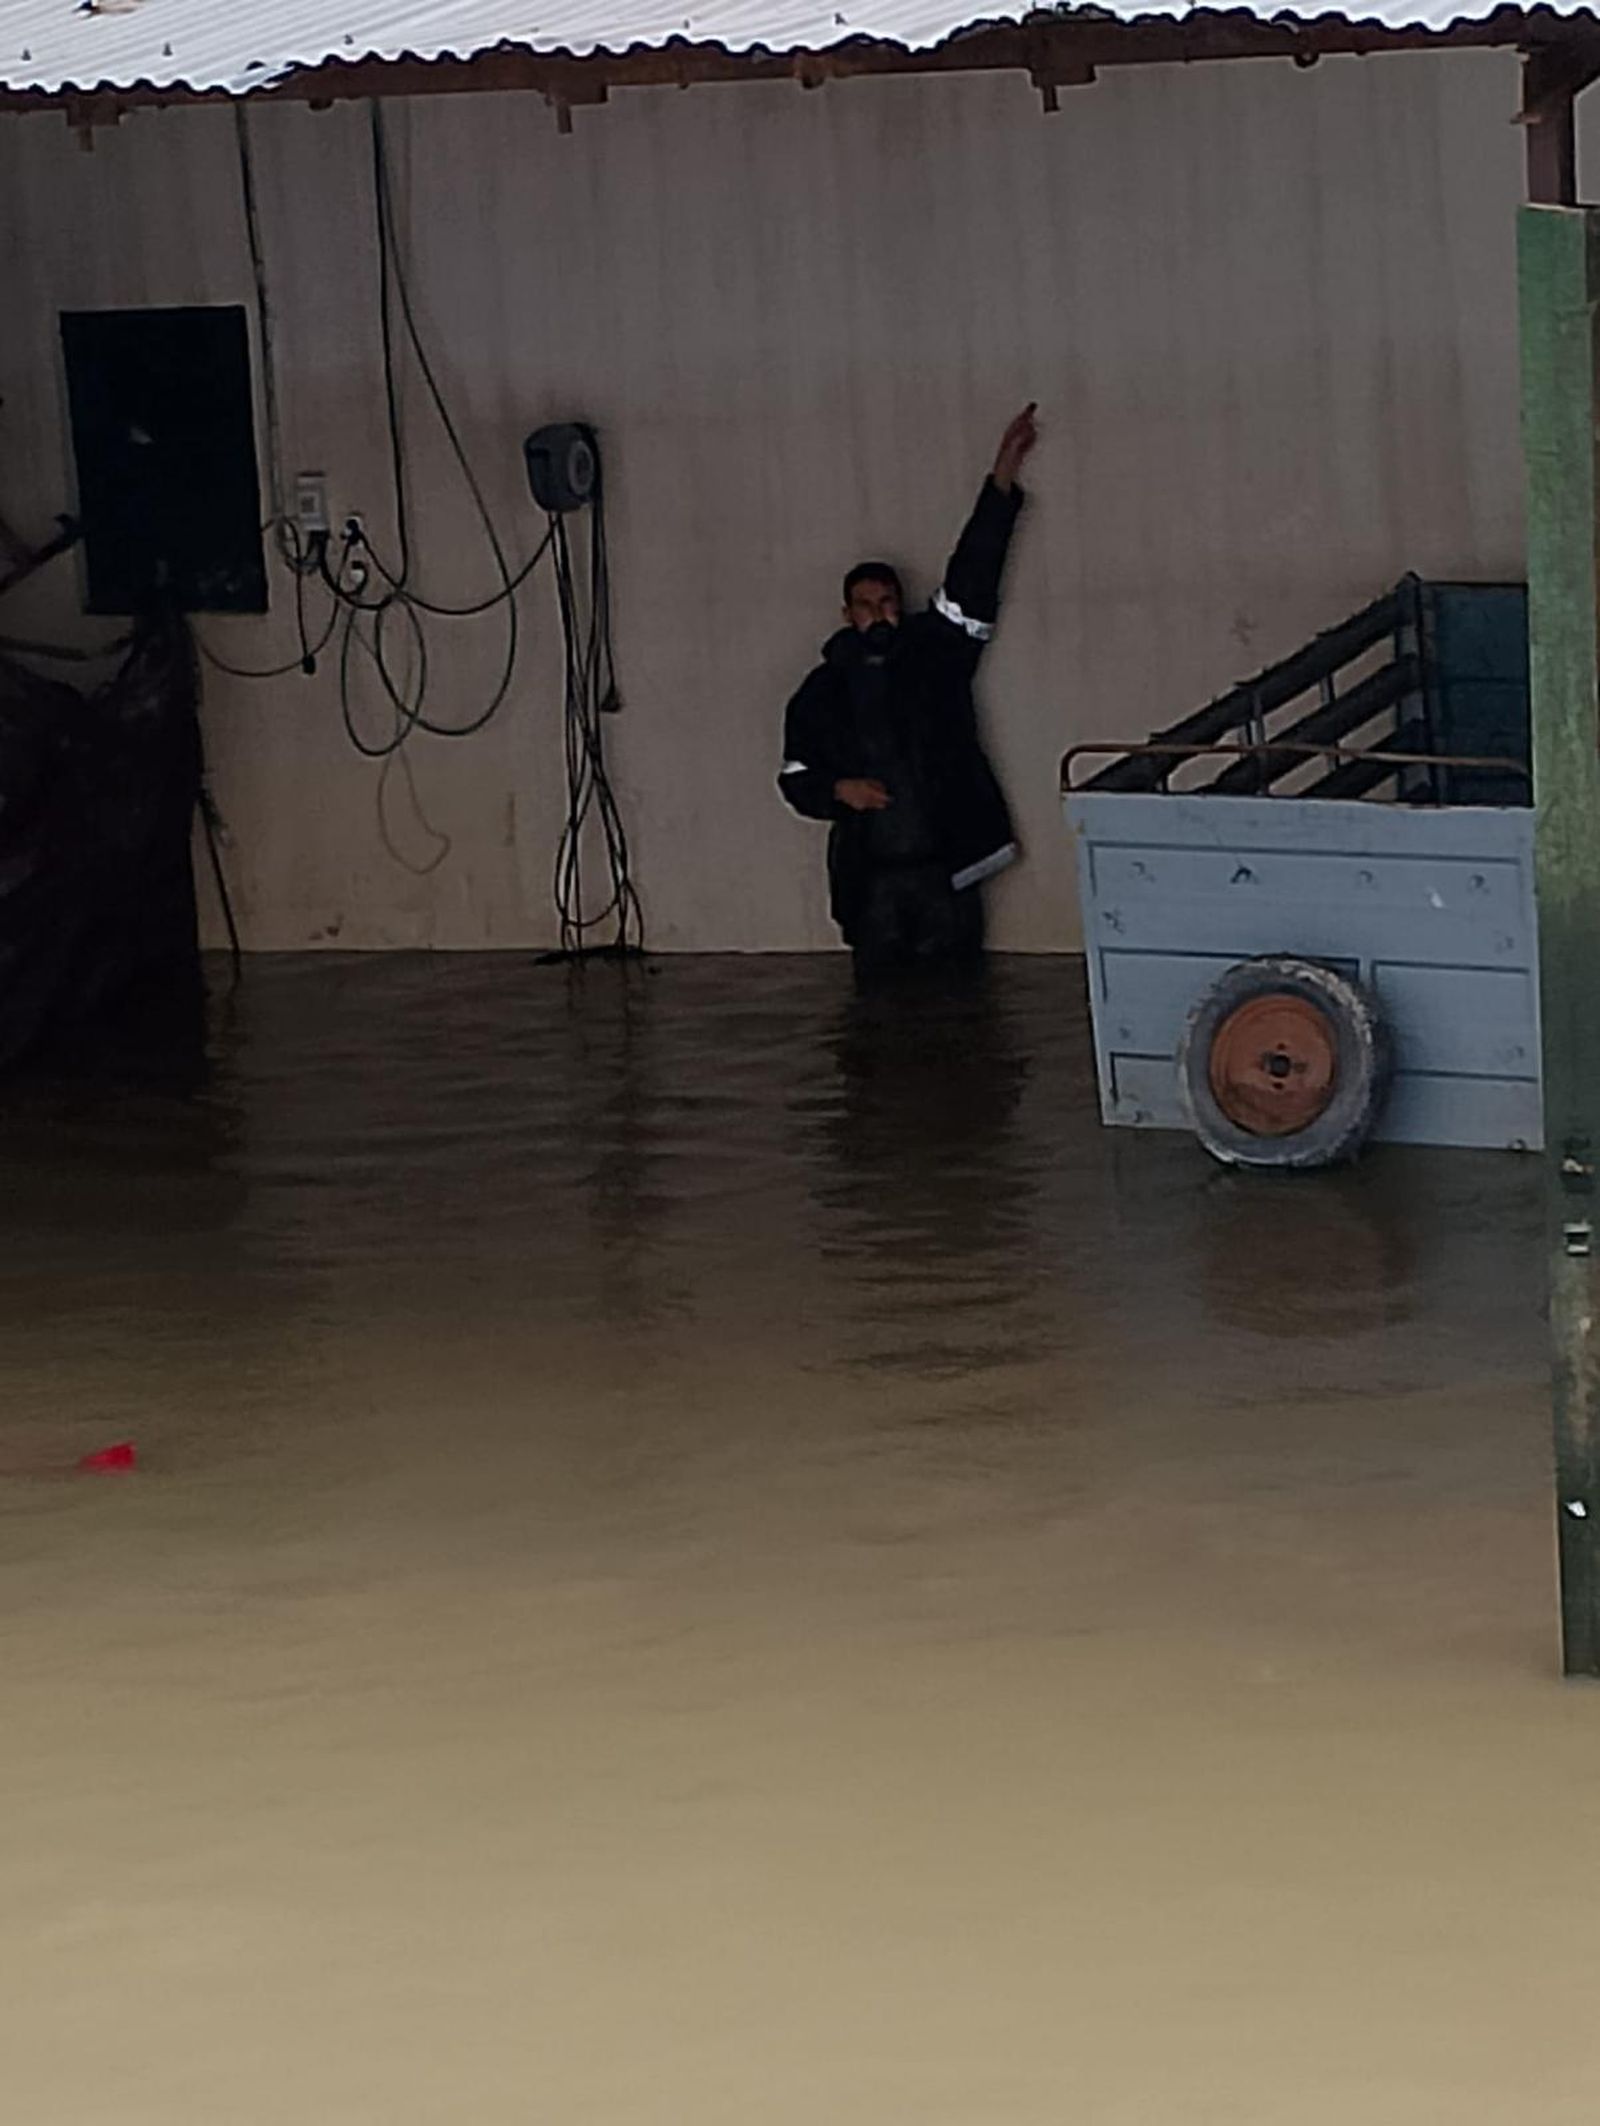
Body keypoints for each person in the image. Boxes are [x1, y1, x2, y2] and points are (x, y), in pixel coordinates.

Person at [778, 405, 1038, 973]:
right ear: (848, 613)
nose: (880, 615)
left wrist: (1002, 479)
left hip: (946, 871)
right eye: (867, 606)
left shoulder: (936, 657)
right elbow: (795, 778)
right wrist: (840, 789)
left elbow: (973, 574)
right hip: (871, 881)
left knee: (962, 1016)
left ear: (902, 605)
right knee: (877, 1024)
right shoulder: (820, 693)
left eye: (888, 602)